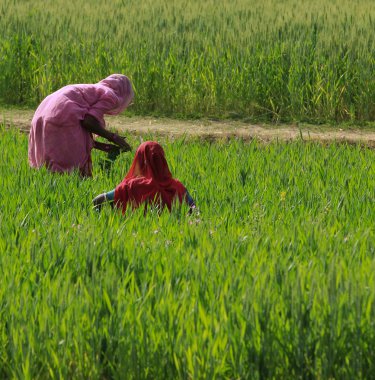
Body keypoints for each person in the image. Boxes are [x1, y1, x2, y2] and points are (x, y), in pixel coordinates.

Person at [28, 74, 134, 177]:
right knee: (71, 175)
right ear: (125, 94)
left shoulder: (91, 90)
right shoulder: (111, 95)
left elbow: (77, 138)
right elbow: (89, 122)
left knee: (50, 173)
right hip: (62, 115)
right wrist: (114, 137)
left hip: (41, 115)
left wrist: (104, 146)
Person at [93, 141, 196, 213]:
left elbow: (97, 200)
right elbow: (193, 207)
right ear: (162, 160)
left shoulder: (131, 186)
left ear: (139, 159)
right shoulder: (177, 186)